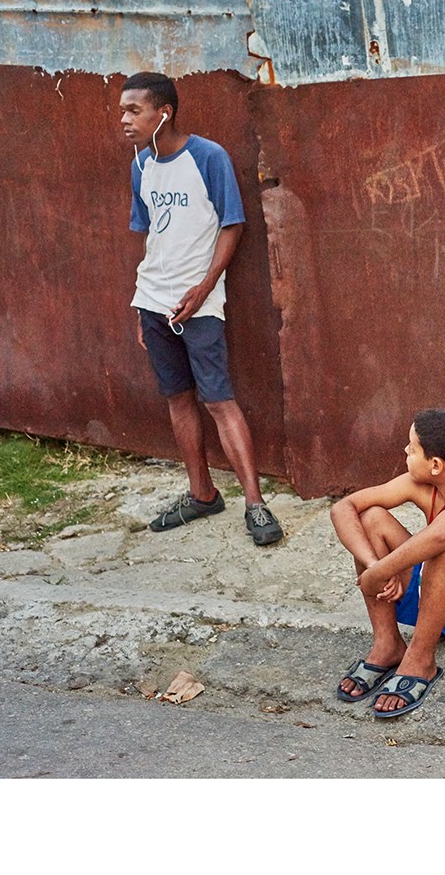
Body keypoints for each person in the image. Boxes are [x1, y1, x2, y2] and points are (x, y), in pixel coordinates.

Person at [121, 71, 283, 545]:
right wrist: (141, 305)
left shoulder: (208, 157)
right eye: (122, 111)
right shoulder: (141, 165)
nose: (125, 120)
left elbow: (233, 224)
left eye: (134, 110)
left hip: (201, 302)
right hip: (154, 301)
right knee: (177, 397)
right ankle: (202, 494)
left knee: (217, 399)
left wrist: (204, 287)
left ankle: (255, 504)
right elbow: (152, 237)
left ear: (163, 113)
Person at [330, 408, 445, 719]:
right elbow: (344, 508)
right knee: (371, 518)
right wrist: (373, 564)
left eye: (412, 447)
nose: (405, 450)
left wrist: (383, 570)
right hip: (442, 594)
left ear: (435, 465)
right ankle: (388, 644)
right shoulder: (417, 483)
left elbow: (442, 536)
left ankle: (420, 659)